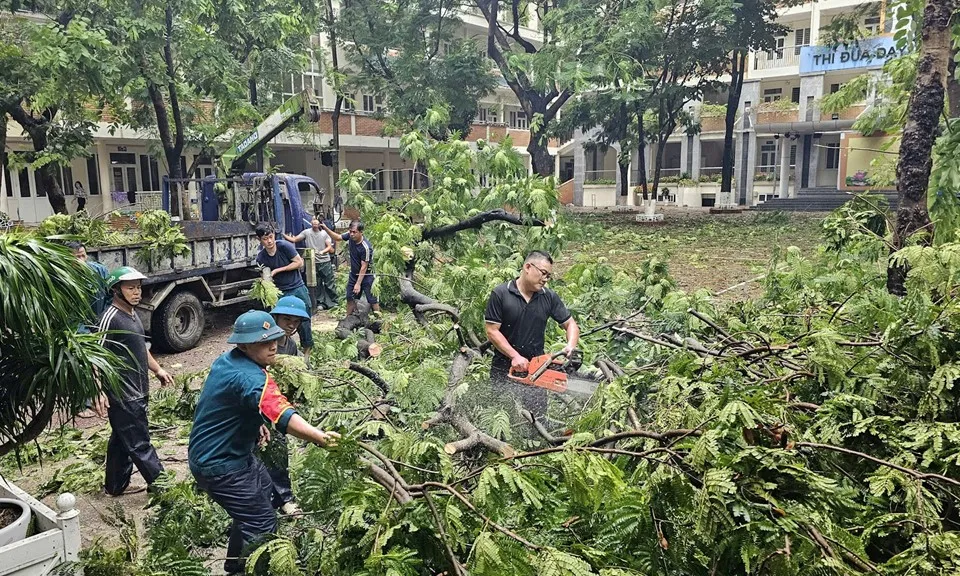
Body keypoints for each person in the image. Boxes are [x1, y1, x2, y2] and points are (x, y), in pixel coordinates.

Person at [188, 310, 340, 575]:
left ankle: (235, 566)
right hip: (220, 465)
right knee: (261, 522)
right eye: (263, 342)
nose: (273, 346)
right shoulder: (250, 377)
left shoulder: (228, 362)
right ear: (244, 344)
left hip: (234, 454)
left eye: (275, 339)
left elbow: (234, 401)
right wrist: (318, 436)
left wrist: (255, 420)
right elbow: (280, 412)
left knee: (264, 490)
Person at [95, 266, 174, 496]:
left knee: (122, 439)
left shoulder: (133, 314)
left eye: (138, 287)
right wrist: (98, 391)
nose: (137, 292)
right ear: (116, 290)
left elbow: (140, 347)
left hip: (138, 389)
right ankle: (163, 487)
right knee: (139, 443)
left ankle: (115, 486)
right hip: (123, 394)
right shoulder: (109, 318)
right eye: (130, 288)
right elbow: (94, 358)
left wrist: (158, 369)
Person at [484, 250, 580, 419]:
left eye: (548, 276)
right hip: (504, 366)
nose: (545, 279)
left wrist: (570, 346)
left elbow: (570, 324)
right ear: (528, 267)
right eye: (543, 273)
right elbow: (492, 330)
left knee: (537, 418)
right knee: (500, 416)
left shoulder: (548, 297)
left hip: (538, 367)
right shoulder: (501, 293)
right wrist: (514, 356)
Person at [259, 295, 312, 515]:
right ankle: (274, 498)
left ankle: (283, 497)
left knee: (277, 450)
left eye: (296, 322)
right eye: (286, 320)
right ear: (276, 318)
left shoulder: (290, 345)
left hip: (276, 407)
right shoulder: (263, 344)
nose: (291, 325)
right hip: (259, 404)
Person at [255, 223, 312, 359]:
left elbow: (299, 262)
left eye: (270, 237)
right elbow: (265, 277)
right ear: (259, 240)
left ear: (274, 235)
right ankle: (282, 354)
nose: (269, 241)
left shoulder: (284, 246)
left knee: (304, 322)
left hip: (296, 288)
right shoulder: (261, 257)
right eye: (265, 239)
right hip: (280, 293)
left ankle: (307, 354)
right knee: (279, 324)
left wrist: (278, 270)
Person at [321, 219, 380, 315]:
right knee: (350, 297)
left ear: (361, 232)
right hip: (354, 274)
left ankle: (379, 320)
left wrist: (358, 284)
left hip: (367, 275)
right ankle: (348, 319)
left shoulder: (365, 247)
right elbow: (337, 237)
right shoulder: (350, 237)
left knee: (372, 299)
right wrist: (325, 228)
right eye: (350, 231)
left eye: (354, 232)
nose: (351, 234)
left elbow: (364, 267)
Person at [282, 219, 338, 310]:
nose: (314, 225)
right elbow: (295, 239)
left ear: (319, 224)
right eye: (313, 223)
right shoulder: (306, 232)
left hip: (324, 261)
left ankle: (333, 302)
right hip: (312, 262)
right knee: (317, 284)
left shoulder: (324, 234)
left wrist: (322, 252)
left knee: (329, 282)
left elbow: (329, 247)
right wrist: (283, 235)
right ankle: (321, 303)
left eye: (316, 223)